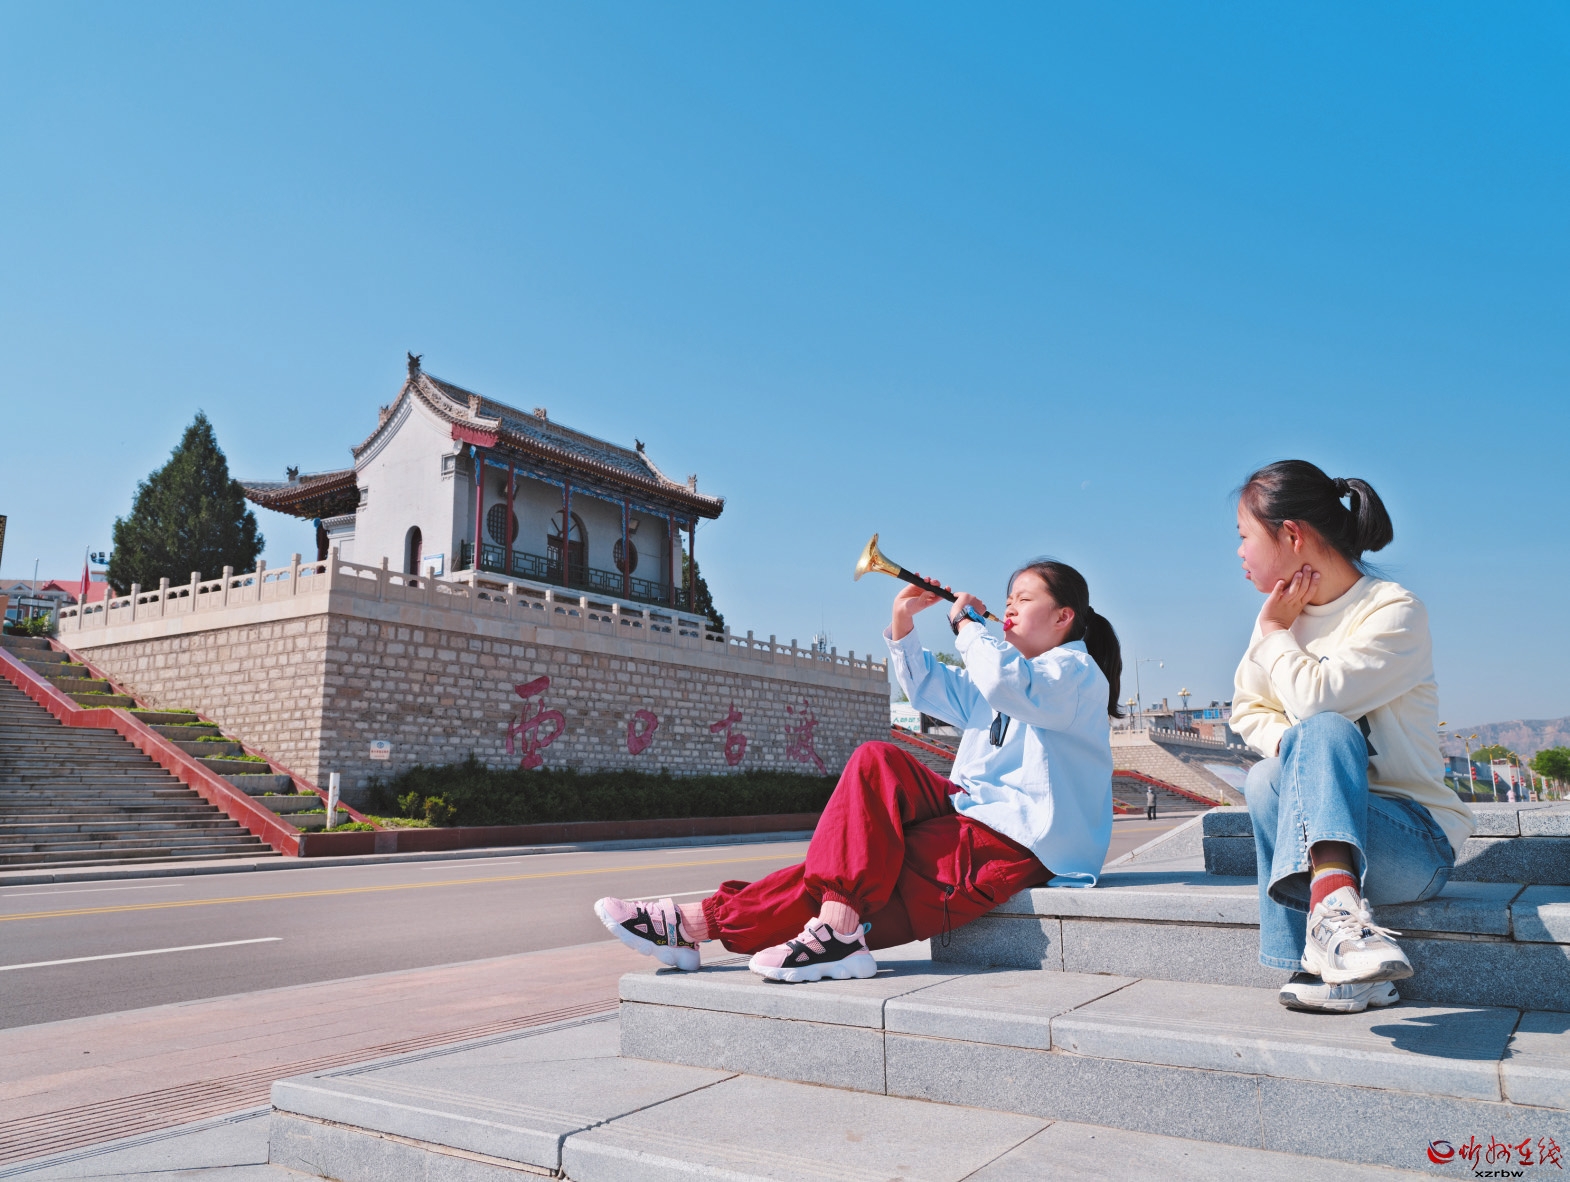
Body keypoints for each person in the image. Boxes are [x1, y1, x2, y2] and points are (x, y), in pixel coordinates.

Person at [594, 559, 1121, 982]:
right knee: (875, 765)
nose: (1007, 610)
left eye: (1023, 600)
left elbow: (1007, 684)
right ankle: (823, 928)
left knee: (855, 876)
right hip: (971, 814)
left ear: (1063, 617)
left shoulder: (1074, 673)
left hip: (1017, 842)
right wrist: (904, 621)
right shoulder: (1012, 674)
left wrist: (966, 626)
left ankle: (696, 923)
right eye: (1007, 601)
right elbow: (929, 688)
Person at [1231, 461, 1474, 1014]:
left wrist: (1274, 633)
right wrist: (1300, 755)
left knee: (1323, 728)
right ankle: (1331, 947)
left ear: (1291, 535)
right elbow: (1249, 709)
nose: (1240, 553)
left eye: (1244, 536)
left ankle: (1334, 922)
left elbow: (1317, 701)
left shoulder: (1392, 610)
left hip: (1412, 842)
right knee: (1268, 775)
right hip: (1321, 833)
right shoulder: (1279, 621)